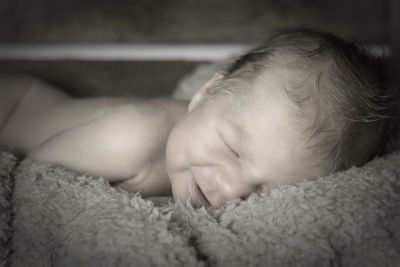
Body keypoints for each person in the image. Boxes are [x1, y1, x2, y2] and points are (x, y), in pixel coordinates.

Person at [0, 29, 396, 207]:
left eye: (264, 190)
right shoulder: (132, 136)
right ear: (204, 93)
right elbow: (38, 174)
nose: (233, 187)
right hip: (12, 108)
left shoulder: (195, 163)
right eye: (232, 149)